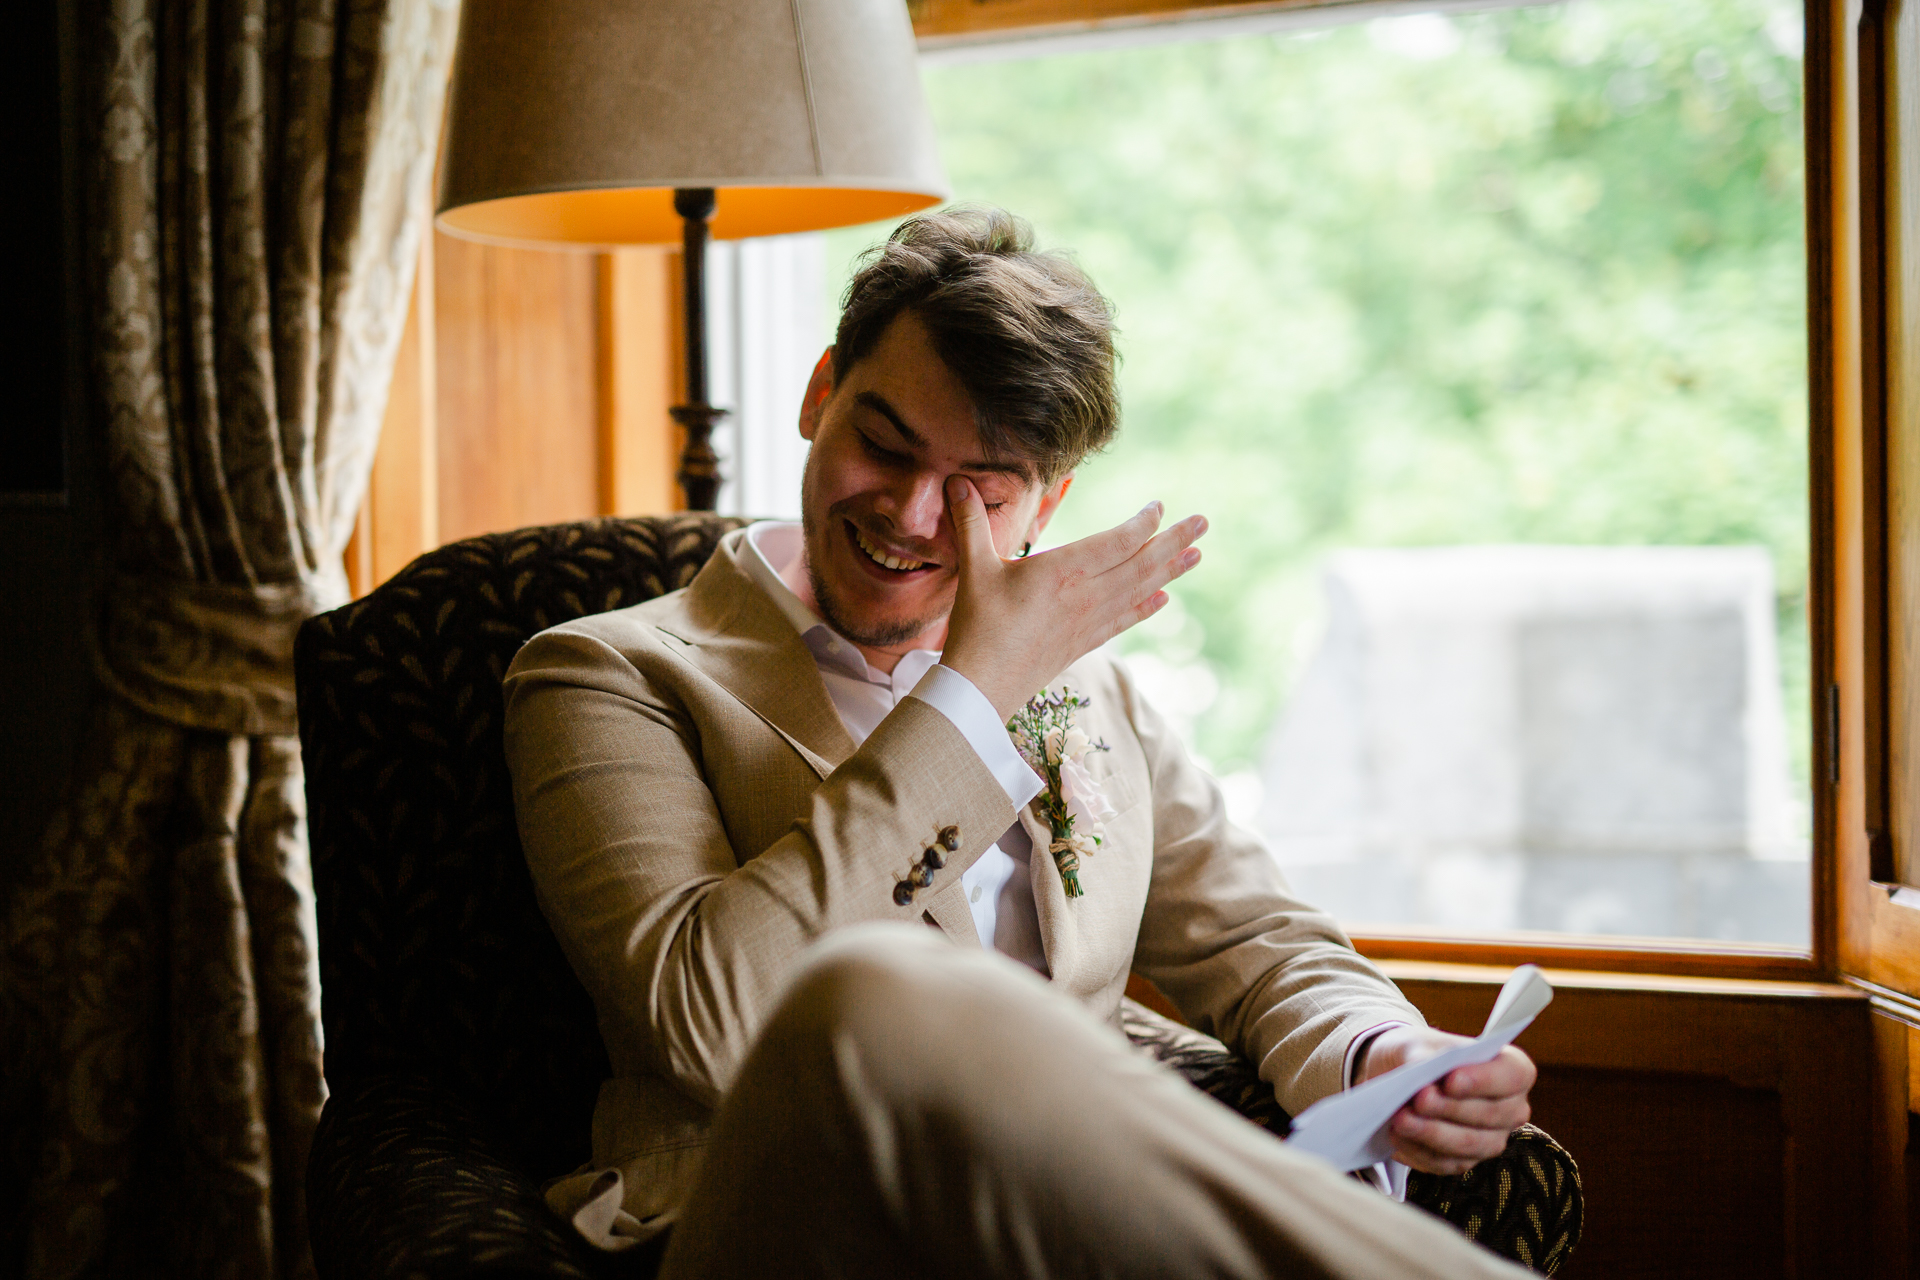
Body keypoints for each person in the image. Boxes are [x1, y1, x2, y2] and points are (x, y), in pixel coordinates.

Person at [503, 207, 1538, 1278]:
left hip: (1053, 1230)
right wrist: (972, 692)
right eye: (883, 445)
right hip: (788, 1226)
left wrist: (1381, 1052)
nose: (911, 515)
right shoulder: (606, 673)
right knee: (874, 990)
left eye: (978, 492)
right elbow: (715, 1024)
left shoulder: (1089, 688)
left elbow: (1260, 937)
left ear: (1049, 501)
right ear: (820, 393)